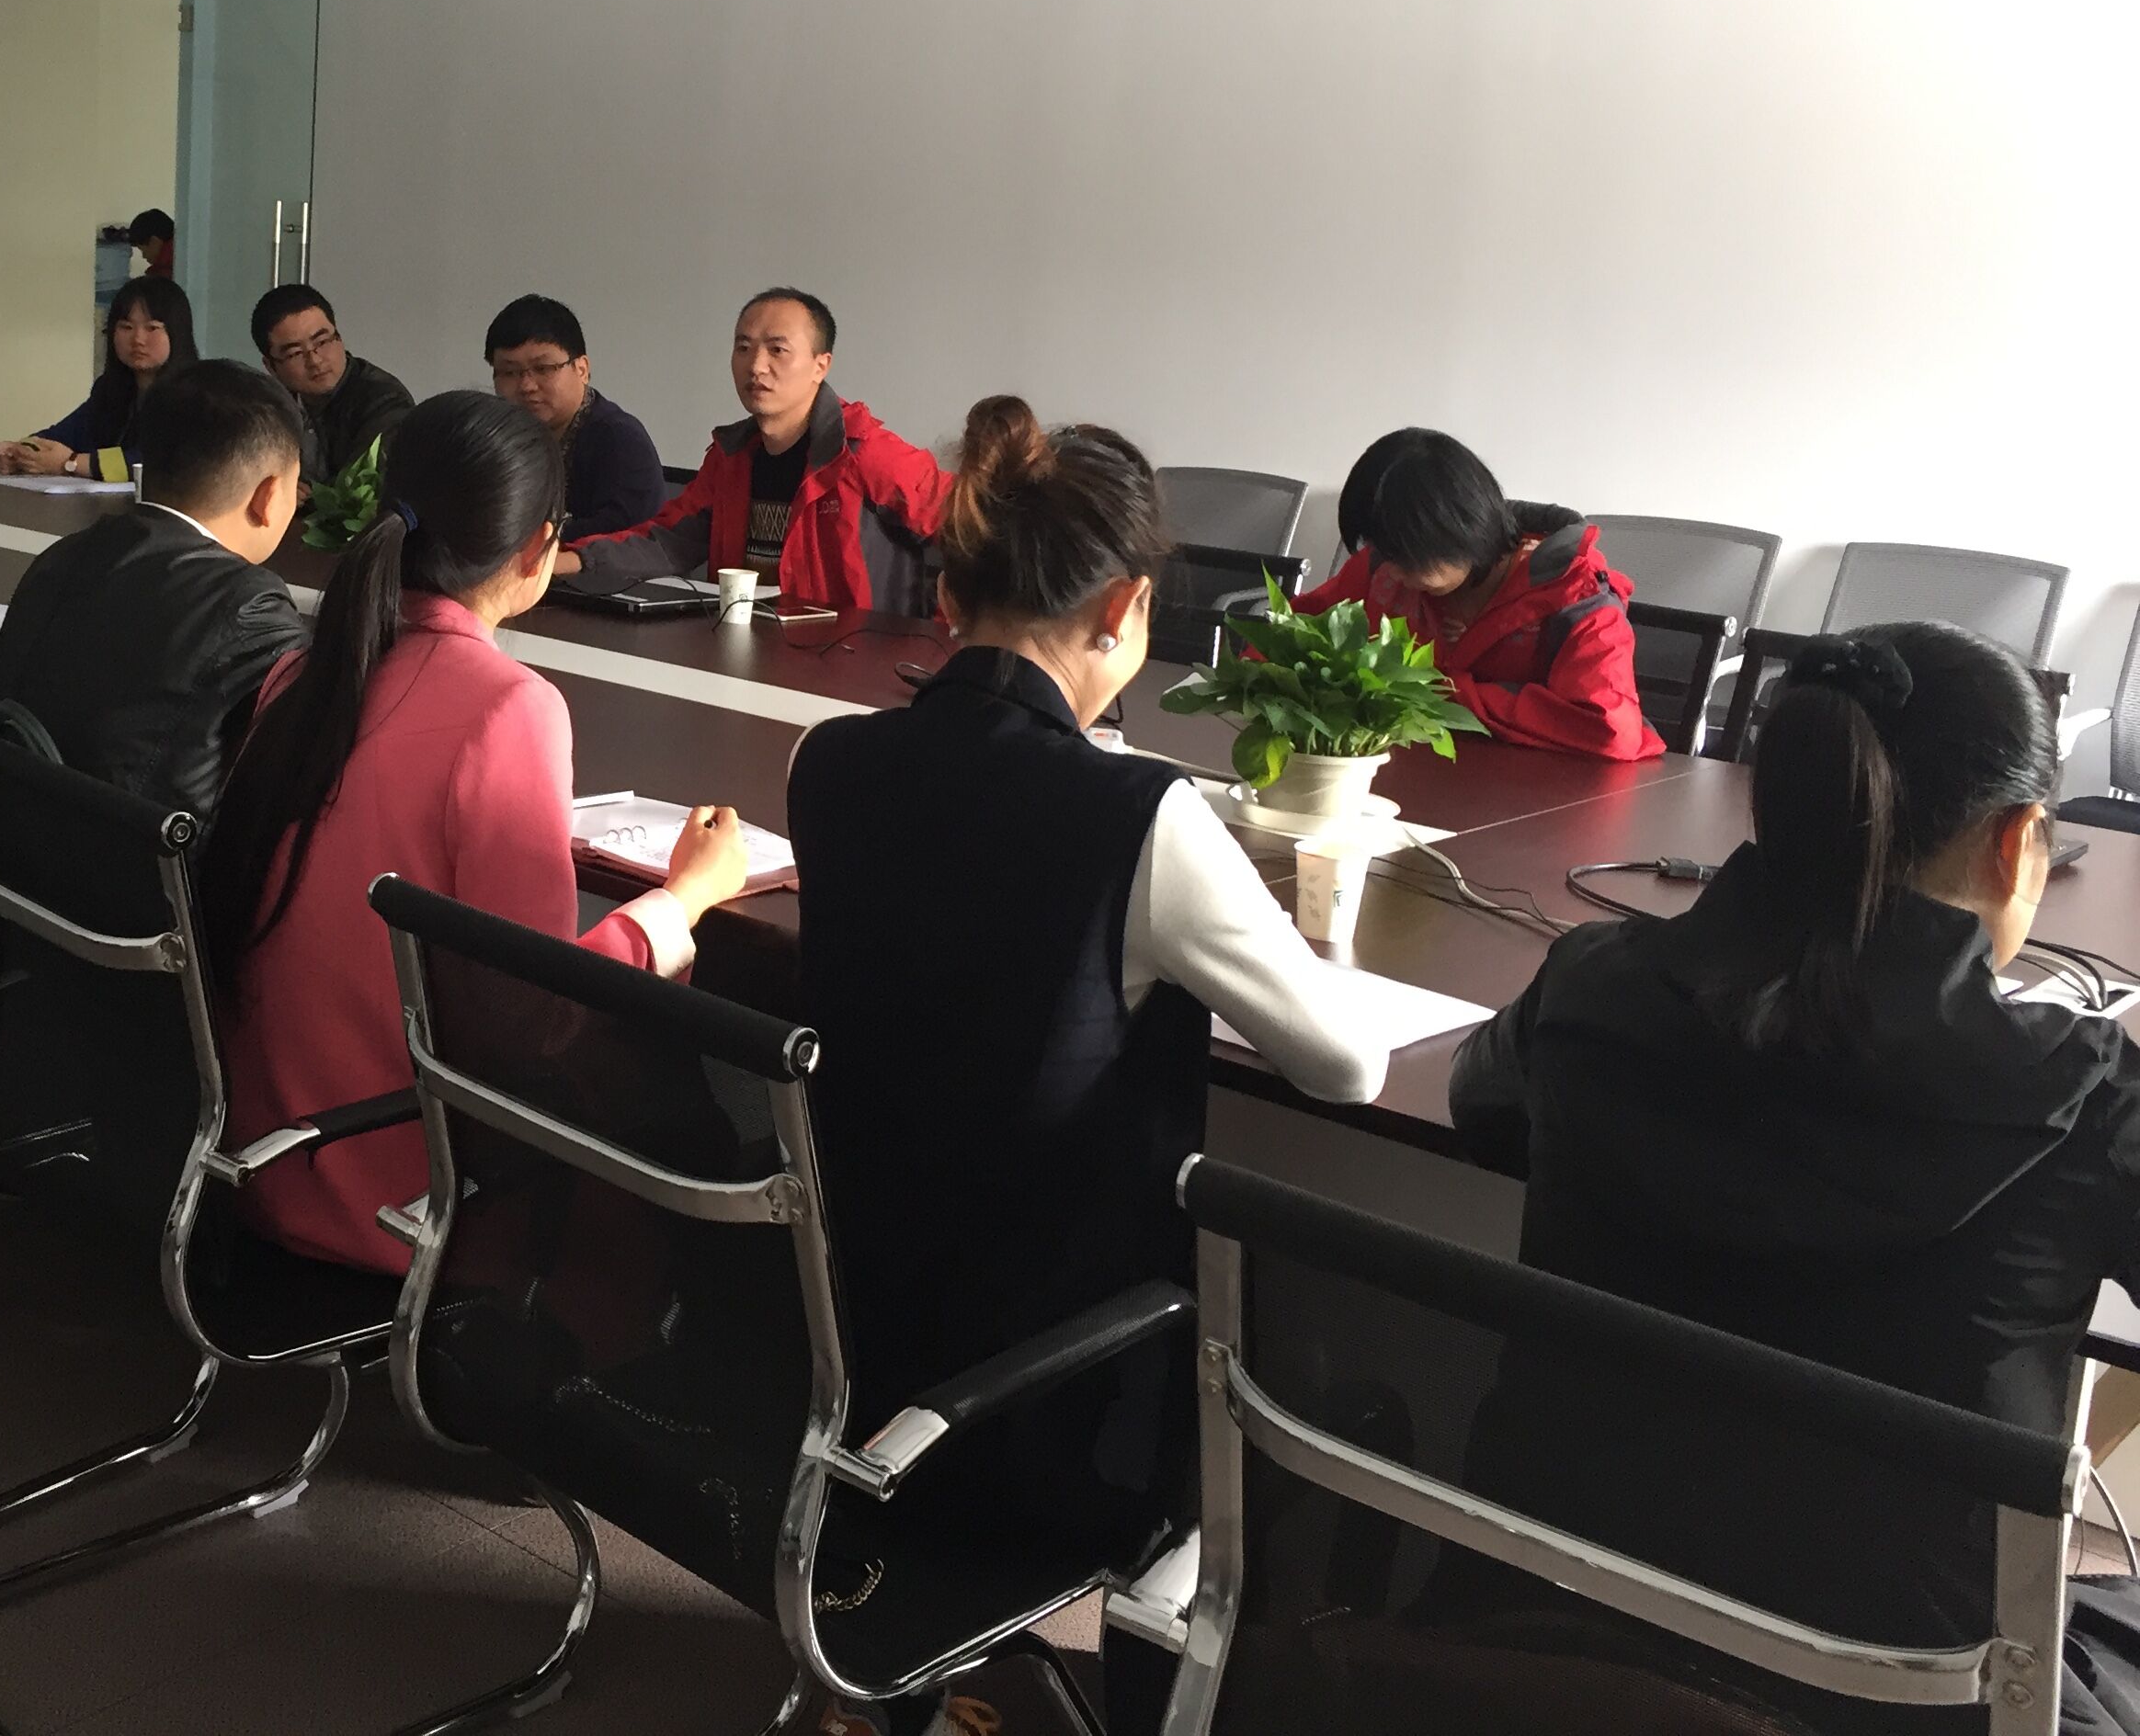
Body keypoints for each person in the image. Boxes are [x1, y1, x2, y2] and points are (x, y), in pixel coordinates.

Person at [788, 398, 1386, 1736]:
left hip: (859, 1333)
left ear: (948, 597)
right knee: (1319, 1366)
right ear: (1125, 608)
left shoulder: (829, 761)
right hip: (1060, 1399)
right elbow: (1346, 1064)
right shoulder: (1139, 817)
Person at [1451, 625, 2140, 1730]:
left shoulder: (1590, 989)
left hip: (1548, 1638)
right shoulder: (2084, 1101)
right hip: (1912, 1700)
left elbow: (1482, 1108)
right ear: (2020, 844)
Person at [199, 390, 750, 1274]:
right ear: (540, 549)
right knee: (679, 1094)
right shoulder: (507, 708)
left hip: (259, 1157)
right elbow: (541, 1015)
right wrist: (683, 898)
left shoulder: (305, 671)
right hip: (399, 1194)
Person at [0, 359, 309, 821]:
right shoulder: (248, 606)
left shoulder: (66, 554)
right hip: (133, 860)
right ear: (268, 496)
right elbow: (297, 785)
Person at [559, 288, 947, 615]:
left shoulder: (865, 454)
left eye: (777, 350)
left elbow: (970, 529)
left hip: (854, 664)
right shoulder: (730, 456)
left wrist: (936, 638)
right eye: (743, 347)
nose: (756, 365)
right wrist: (570, 561)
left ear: (820, 365)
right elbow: (666, 541)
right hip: (745, 650)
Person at [1292, 425, 1660, 761]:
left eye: (1404, 554)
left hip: (1538, 791)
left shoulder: (1574, 593)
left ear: (1458, 532)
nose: (1391, 572)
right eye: (1381, 549)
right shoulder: (1384, 567)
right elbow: (1292, 637)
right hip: (1416, 774)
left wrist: (1436, 691)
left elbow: (1608, 727)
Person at [484, 293, 664, 541]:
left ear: (582, 369)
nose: (526, 386)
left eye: (543, 369)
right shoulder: (499, 439)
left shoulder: (619, 438)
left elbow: (627, 537)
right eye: (509, 372)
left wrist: (525, 541)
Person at [0, 274, 199, 479]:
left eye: (152, 328)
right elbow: (64, 435)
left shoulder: (196, 395)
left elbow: (156, 461)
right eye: (126, 327)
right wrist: (22, 452)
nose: (138, 339)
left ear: (177, 333)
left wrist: (71, 463)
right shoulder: (110, 389)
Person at [249, 283, 412, 486]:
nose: (315, 360)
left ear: (339, 337)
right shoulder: (267, 404)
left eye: (322, 342)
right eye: (295, 353)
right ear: (271, 367)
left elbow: (359, 488)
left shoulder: (385, 399)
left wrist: (292, 493)